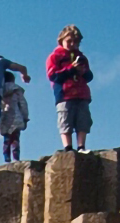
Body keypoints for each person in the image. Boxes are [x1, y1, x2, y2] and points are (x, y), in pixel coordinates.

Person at [46, 25, 94, 153]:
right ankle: (67, 147)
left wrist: (82, 71)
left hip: (81, 93)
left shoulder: (82, 58)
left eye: (76, 42)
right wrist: (71, 69)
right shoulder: (55, 56)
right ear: (61, 40)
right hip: (64, 94)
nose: (72, 44)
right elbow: (53, 75)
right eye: (69, 41)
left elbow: (89, 76)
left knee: (83, 120)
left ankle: (81, 146)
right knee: (65, 120)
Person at [0, 74, 30, 163]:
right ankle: (16, 157)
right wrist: (25, 117)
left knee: (6, 139)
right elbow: (23, 105)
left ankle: (6, 158)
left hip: (4, 118)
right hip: (16, 117)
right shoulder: (16, 91)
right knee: (15, 139)